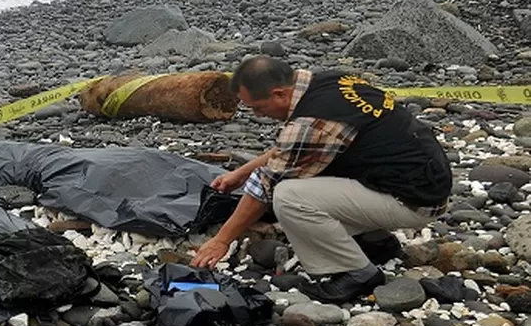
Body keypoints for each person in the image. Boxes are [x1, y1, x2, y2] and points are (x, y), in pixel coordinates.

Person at [190, 56, 452, 303]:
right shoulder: (328, 81)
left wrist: (221, 241)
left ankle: (355, 273)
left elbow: (266, 186)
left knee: (288, 196)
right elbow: (295, 149)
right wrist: (241, 172)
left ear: (279, 94)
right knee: (313, 171)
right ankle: (374, 242)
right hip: (421, 181)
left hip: (412, 201)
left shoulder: (312, 121)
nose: (259, 115)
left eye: (258, 108)